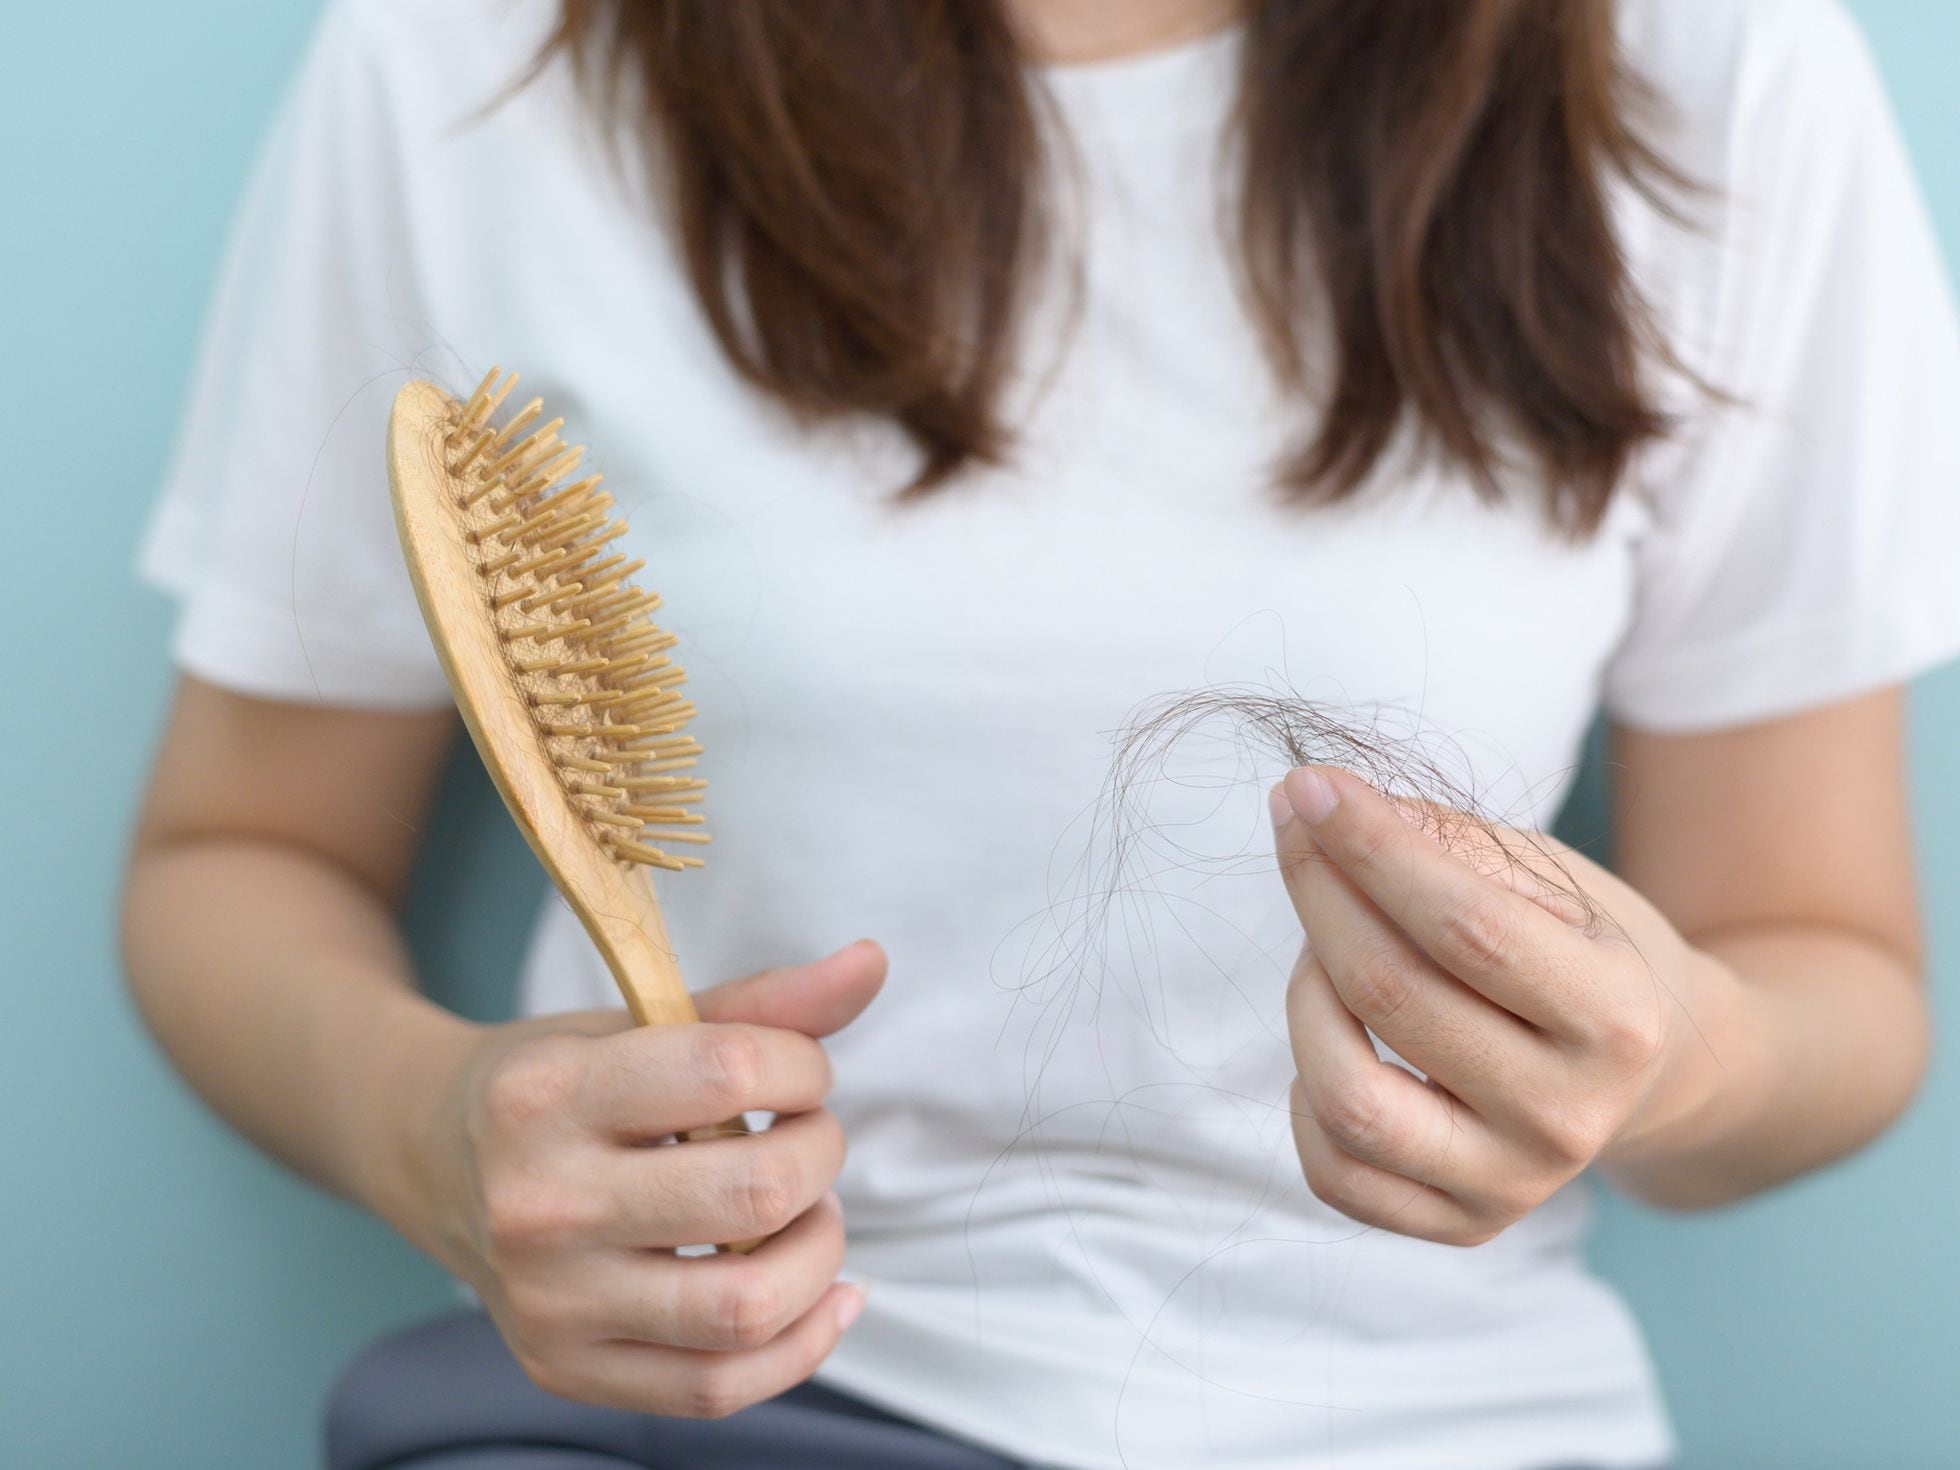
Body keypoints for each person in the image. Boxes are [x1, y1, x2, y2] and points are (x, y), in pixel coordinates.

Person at [122, 1, 1960, 1467]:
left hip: (1434, 1419)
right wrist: (427, 1129)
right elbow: (242, 852)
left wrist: (1674, 1056)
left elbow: (1835, 968)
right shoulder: (473, 58)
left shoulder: (1710, 71)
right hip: (707, 1409)